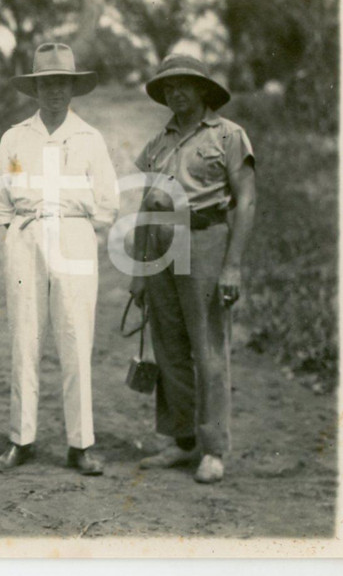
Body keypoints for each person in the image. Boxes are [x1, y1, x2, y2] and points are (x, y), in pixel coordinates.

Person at [0, 43, 119, 476]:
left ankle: (80, 444)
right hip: (25, 239)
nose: (55, 92)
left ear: (73, 87)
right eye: (47, 83)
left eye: (62, 83)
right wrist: (24, 231)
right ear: (35, 88)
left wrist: (69, 222)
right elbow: (0, 203)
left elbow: (107, 204)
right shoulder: (15, 136)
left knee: (75, 339)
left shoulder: (89, 138)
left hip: (75, 239)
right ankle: (20, 439)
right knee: (25, 339)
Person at [130, 53, 255, 485]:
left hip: (205, 240)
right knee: (169, 346)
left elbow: (247, 201)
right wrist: (139, 270)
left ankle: (213, 448)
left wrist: (233, 266)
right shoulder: (159, 142)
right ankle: (182, 441)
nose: (175, 92)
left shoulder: (229, 135)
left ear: (203, 89)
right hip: (162, 247)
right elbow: (146, 205)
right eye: (168, 86)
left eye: (184, 84)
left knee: (208, 348)